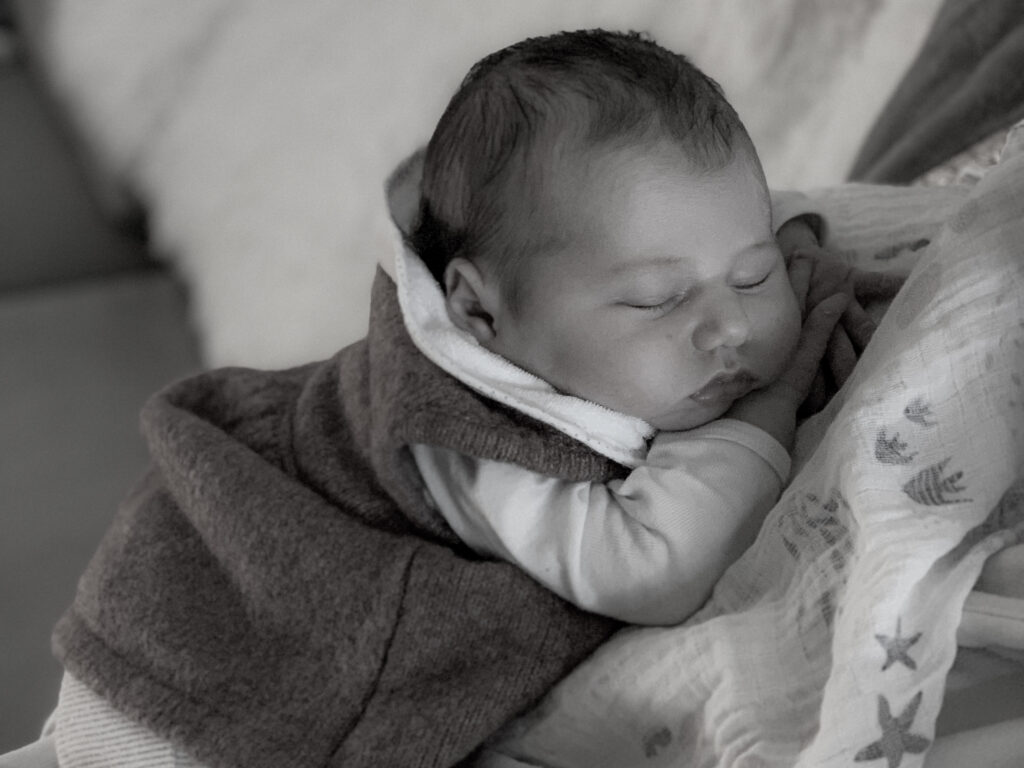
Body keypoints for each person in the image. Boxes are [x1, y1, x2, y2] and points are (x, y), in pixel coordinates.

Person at [45, 28, 885, 768]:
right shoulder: (462, 430)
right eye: (657, 299)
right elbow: (655, 567)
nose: (727, 326)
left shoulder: (605, 293)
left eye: (753, 271)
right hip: (192, 674)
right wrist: (759, 410)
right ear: (482, 313)